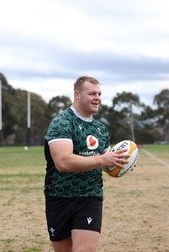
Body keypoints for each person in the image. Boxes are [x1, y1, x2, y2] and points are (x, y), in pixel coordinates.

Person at [44, 76, 128, 252]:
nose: (97, 97)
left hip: (90, 197)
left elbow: (105, 164)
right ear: (77, 94)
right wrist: (102, 160)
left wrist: (118, 163)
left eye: (99, 93)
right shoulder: (62, 123)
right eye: (92, 93)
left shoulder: (100, 129)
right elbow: (63, 162)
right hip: (59, 198)